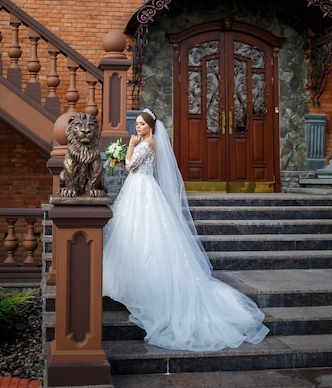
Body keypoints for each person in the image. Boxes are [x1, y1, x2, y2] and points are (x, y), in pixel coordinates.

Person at [103, 108, 269, 352]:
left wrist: (129, 145)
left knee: (147, 235)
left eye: (141, 124)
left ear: (150, 126)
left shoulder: (147, 144)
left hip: (142, 190)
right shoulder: (147, 142)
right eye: (136, 124)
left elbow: (129, 166)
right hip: (139, 189)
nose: (137, 127)